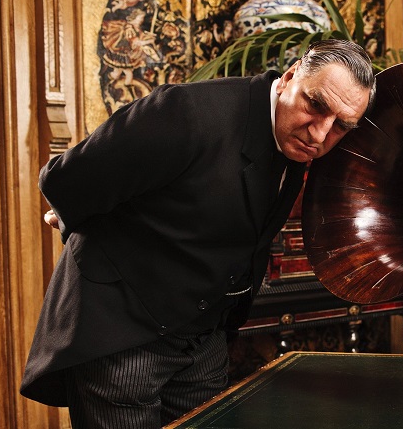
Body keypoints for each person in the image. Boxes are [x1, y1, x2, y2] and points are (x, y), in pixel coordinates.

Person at [20, 39, 376, 427]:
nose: (320, 134)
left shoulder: (299, 138)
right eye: (316, 105)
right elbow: (67, 179)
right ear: (291, 76)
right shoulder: (188, 111)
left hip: (203, 343)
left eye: (341, 125)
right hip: (122, 334)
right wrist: (70, 217)